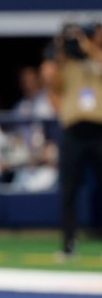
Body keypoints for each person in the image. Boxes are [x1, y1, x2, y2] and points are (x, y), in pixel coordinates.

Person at [48, 22, 102, 258]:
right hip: (73, 131)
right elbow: (53, 85)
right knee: (69, 189)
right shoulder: (67, 63)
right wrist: (62, 53)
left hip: (99, 129)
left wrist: (87, 48)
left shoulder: (97, 57)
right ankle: (69, 243)